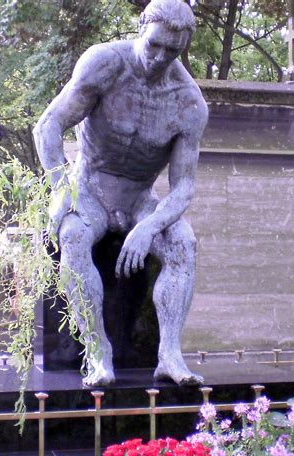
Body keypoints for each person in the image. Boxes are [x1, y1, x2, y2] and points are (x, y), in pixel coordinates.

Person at [34, 0, 208, 386]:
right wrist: (62, 189)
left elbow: (183, 187)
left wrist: (150, 226)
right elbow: (48, 125)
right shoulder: (105, 63)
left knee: (183, 244)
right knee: (74, 237)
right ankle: (99, 352)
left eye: (173, 51)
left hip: (140, 200)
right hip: (90, 186)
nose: (160, 57)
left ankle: (170, 355)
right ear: (141, 29)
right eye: (155, 45)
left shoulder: (189, 103)